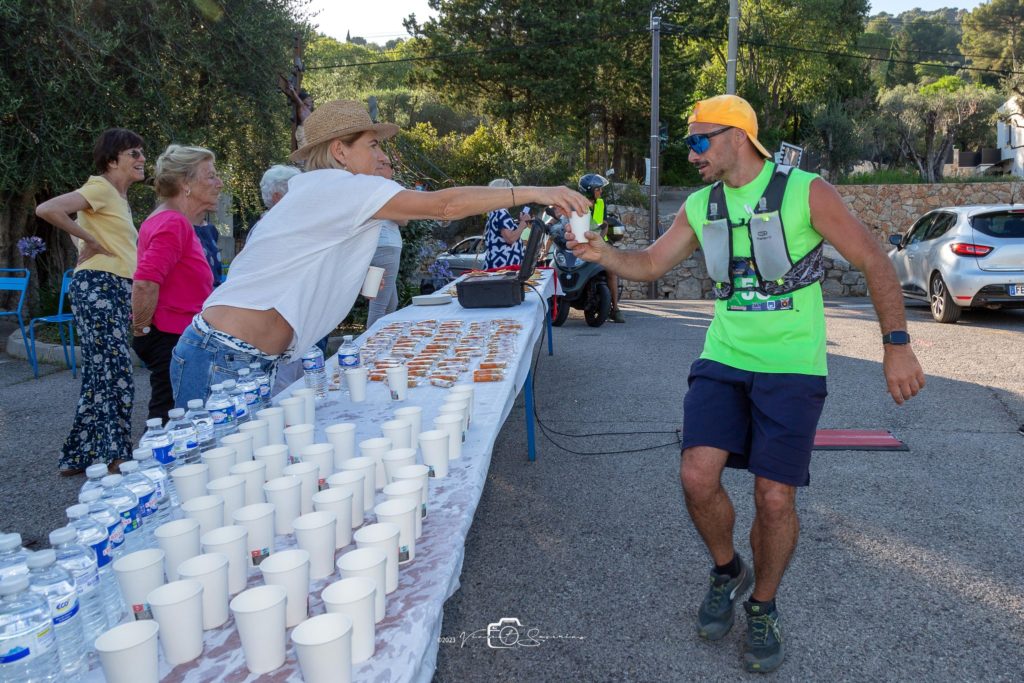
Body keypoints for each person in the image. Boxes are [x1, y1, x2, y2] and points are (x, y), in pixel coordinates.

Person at [568, 95, 925, 674]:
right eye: (688, 142)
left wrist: (897, 346)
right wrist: (603, 252)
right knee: (695, 475)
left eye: (699, 140)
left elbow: (874, 261)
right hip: (724, 358)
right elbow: (652, 265)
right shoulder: (702, 203)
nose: (691, 153)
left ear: (737, 136)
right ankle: (726, 569)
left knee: (774, 497)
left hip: (792, 368)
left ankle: (763, 604)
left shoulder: (806, 191)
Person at [169, 99, 588, 406]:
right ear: (339, 151)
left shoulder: (324, 192)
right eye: (372, 144)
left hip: (240, 356)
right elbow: (444, 206)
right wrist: (537, 191)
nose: (383, 155)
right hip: (226, 357)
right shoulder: (338, 186)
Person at [36, 128, 146, 476]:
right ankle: (116, 456)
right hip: (100, 284)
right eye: (134, 153)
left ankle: (78, 456)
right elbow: (48, 209)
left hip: (107, 286)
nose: (142, 158)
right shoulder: (100, 187)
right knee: (116, 371)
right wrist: (89, 241)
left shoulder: (115, 197)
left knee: (101, 372)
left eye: (142, 152)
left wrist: (84, 240)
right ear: (112, 161)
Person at [131, 145, 219, 419]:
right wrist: (142, 332)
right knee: (171, 420)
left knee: (171, 416)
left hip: (173, 337)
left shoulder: (171, 220)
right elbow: (145, 282)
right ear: (186, 184)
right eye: (210, 176)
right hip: (173, 339)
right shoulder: (173, 223)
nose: (219, 183)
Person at [578, 173, 625, 323]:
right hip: (581, 243)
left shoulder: (601, 203)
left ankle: (615, 308)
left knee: (612, 271)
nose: (601, 191)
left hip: (600, 242)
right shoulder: (579, 204)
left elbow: (604, 224)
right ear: (589, 190)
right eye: (598, 189)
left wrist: (602, 242)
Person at [366, 158, 405, 327]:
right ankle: (370, 346)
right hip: (387, 247)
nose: (392, 171)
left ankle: (385, 340)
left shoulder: (367, 187)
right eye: (391, 166)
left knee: (390, 303)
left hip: (374, 247)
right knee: (379, 306)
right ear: (380, 167)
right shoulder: (385, 189)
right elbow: (403, 220)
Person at [483, 178, 530, 269]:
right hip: (504, 268)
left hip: (499, 265)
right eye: (511, 192)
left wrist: (520, 224)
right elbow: (510, 238)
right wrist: (522, 224)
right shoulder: (501, 211)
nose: (513, 196)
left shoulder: (494, 211)